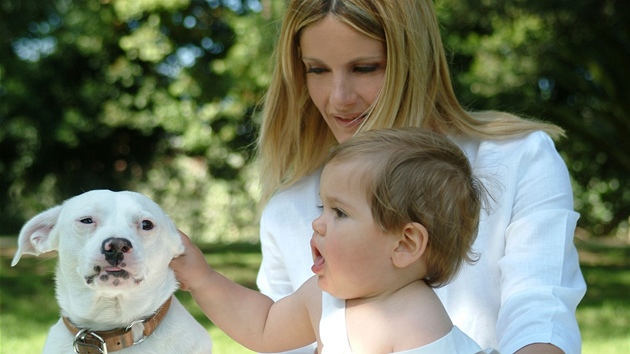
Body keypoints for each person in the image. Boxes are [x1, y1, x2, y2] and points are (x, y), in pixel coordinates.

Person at [254, 1, 586, 353]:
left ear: (414, 60)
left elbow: (539, 319)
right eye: (316, 70)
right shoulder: (286, 211)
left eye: (365, 68)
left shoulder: (519, 158)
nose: (338, 98)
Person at [172, 127, 499, 353]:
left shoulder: (417, 324)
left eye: (339, 212)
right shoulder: (322, 299)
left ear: (405, 244)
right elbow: (263, 325)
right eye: (322, 207)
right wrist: (203, 279)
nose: (318, 222)